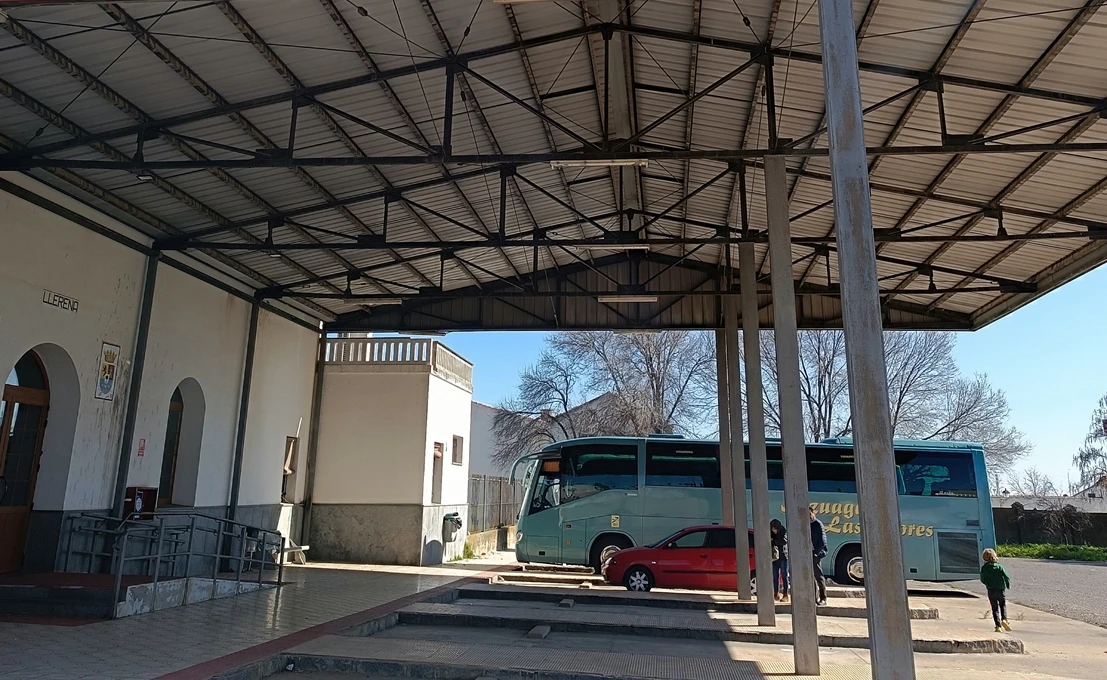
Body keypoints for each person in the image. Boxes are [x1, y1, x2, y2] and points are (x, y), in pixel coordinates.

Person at [980, 548, 1012, 632]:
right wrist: (1007, 585)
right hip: (1001, 589)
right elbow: (1006, 576)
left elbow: (982, 579)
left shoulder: (984, 568)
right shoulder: (999, 567)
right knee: (1003, 605)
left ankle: (998, 626)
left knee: (995, 608)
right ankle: (1004, 620)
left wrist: (987, 583)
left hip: (991, 590)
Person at [810, 507, 828, 605]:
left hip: (816, 553)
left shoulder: (818, 524)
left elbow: (822, 541)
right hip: (808, 553)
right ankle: (814, 598)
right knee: (810, 577)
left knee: (818, 576)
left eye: (809, 514)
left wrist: (816, 552)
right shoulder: (806, 524)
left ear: (813, 513)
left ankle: (823, 597)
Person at [770, 519, 789, 602]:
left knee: (784, 575)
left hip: (783, 556)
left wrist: (774, 541)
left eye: (775, 529)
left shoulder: (783, 531)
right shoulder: (770, 532)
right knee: (775, 575)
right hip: (775, 557)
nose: (773, 531)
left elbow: (784, 541)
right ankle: (776, 592)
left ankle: (785, 594)